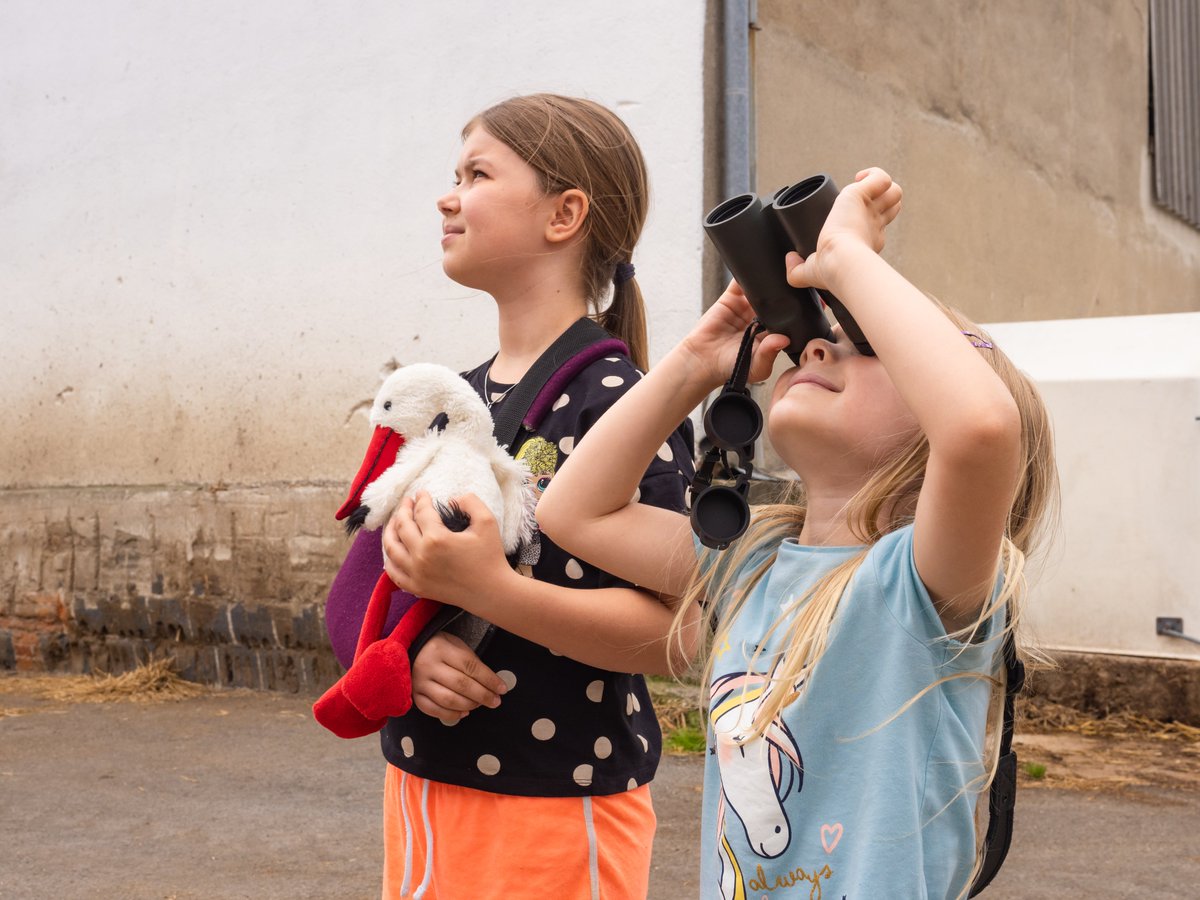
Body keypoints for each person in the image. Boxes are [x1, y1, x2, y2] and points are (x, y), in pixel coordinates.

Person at [535, 168, 1059, 899]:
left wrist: (848, 258)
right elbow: (572, 514)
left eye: (867, 346)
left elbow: (979, 427)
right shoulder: (750, 567)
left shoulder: (924, 585)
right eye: (820, 337)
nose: (815, 349)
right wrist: (695, 363)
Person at [365, 93, 696, 899]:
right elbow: (367, 589)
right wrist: (407, 653)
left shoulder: (620, 402)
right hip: (421, 790)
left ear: (564, 214)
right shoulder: (446, 397)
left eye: (476, 173)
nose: (447, 196)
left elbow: (675, 633)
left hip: (555, 807)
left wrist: (489, 591)